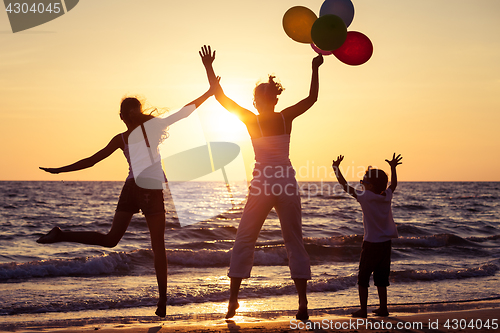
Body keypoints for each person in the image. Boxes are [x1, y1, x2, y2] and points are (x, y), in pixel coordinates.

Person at [37, 80, 216, 318]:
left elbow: (91, 161)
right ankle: (162, 300)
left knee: (111, 239)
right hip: (150, 189)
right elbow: (185, 111)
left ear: (122, 116)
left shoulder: (121, 138)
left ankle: (61, 235)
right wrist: (210, 90)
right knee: (158, 248)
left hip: (131, 187)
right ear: (139, 112)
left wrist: (60, 170)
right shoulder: (153, 128)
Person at [199, 45, 323, 320]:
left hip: (263, 183)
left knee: (245, 239)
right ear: (275, 99)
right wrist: (314, 70)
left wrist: (209, 67)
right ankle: (302, 303)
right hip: (286, 182)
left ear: (256, 100)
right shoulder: (284, 116)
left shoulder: (251, 120)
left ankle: (233, 301)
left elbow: (220, 98)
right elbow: (312, 98)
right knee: (294, 241)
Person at [332, 153, 402, 318]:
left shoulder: (366, 197)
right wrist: (393, 168)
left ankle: (363, 310)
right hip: (386, 244)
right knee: (381, 278)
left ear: (370, 186)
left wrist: (335, 168)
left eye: (363, 182)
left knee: (363, 278)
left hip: (371, 244)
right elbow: (394, 185)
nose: (361, 184)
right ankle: (383, 308)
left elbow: (344, 185)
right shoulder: (386, 196)